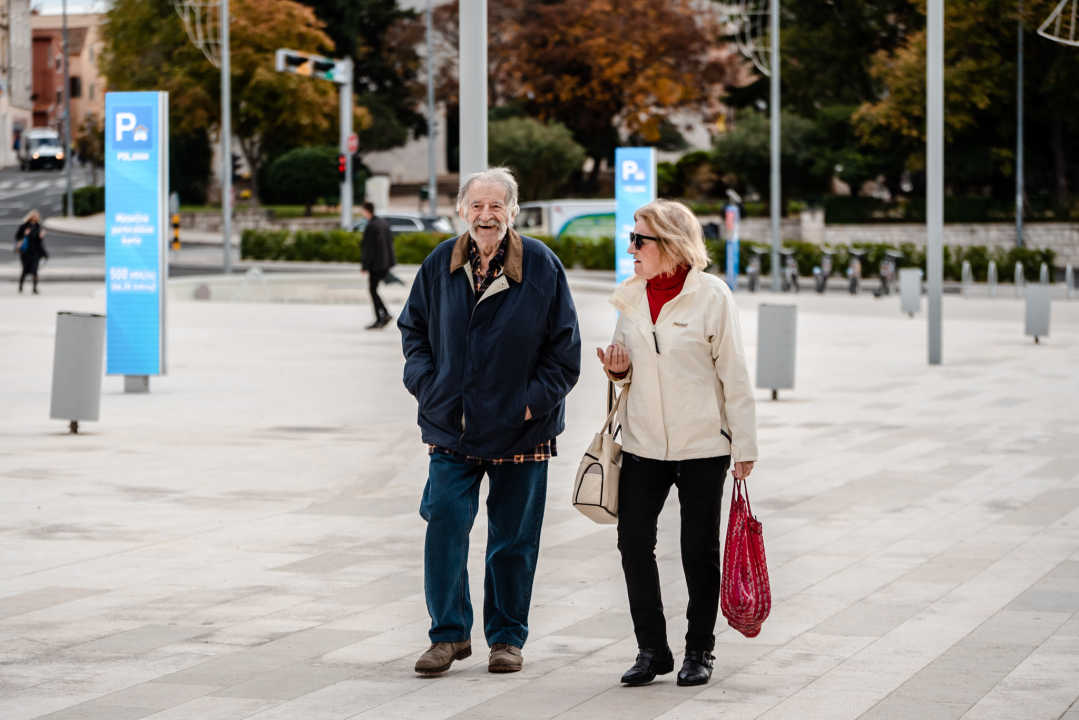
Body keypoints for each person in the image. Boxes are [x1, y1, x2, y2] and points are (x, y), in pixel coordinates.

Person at [398, 167, 581, 676]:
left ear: (513, 211)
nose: (486, 215)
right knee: (445, 528)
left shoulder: (541, 264)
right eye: (477, 206)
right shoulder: (441, 262)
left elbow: (564, 352)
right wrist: (427, 385)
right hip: (452, 427)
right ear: (461, 210)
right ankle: (449, 635)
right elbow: (413, 329)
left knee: (513, 541)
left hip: (523, 430)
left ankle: (506, 638)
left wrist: (528, 405)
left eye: (496, 206)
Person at [596, 199, 758, 688]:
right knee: (632, 544)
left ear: (668, 244)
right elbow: (627, 376)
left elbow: (735, 373)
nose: (631, 248)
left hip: (703, 447)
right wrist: (617, 370)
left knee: (698, 551)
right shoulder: (629, 296)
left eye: (639, 240)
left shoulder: (712, 295)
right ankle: (652, 650)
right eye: (632, 238)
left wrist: (744, 445)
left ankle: (699, 651)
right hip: (644, 444)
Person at [360, 202, 397, 329]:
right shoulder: (383, 223)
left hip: (376, 264)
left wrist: (365, 266)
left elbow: (368, 248)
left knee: (372, 290)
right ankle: (384, 314)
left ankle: (381, 317)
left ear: (366, 211)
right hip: (385, 262)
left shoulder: (371, 226)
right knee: (373, 289)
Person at [14, 210, 47, 294]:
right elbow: (17, 237)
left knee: (35, 270)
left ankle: (34, 288)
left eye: (36, 216)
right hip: (25, 252)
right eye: (34, 216)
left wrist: (40, 237)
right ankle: (21, 285)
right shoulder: (24, 226)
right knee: (25, 270)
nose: (35, 218)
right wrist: (25, 234)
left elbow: (39, 242)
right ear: (30, 217)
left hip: (35, 252)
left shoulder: (38, 226)